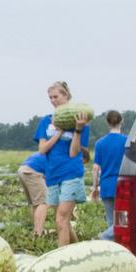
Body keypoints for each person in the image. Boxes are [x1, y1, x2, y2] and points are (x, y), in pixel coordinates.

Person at [35, 81, 91, 246]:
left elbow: (74, 153)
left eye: (56, 96)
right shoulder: (46, 121)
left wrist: (78, 130)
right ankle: (80, 250)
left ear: (66, 96)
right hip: (52, 175)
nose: (53, 100)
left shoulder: (81, 121)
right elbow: (42, 149)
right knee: (62, 221)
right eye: (50, 97)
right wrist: (59, 132)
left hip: (71, 174)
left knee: (61, 219)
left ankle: (62, 260)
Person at [91, 110, 129, 240]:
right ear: (121, 121)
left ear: (107, 122)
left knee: (111, 221)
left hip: (106, 186)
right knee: (123, 221)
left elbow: (96, 168)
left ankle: (109, 244)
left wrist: (94, 187)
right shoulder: (127, 141)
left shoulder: (100, 143)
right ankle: (103, 238)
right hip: (123, 186)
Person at [18, 151, 49, 236]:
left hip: (24, 169)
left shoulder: (53, 149)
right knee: (44, 202)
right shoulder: (64, 157)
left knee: (35, 203)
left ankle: (36, 231)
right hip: (32, 171)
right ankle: (38, 233)